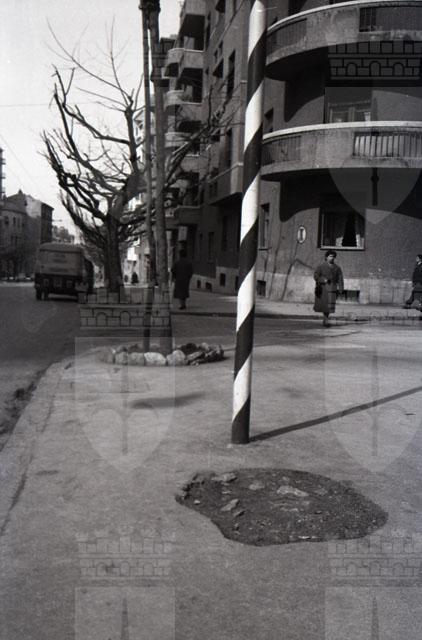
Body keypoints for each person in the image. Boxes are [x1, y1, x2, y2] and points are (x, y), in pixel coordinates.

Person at [313, 250, 344, 326]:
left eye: (333, 256)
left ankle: (326, 319)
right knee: (325, 305)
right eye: (330, 256)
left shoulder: (337, 268)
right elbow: (316, 276)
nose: (332, 258)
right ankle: (326, 320)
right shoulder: (321, 266)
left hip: (332, 288)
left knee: (329, 306)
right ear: (326, 257)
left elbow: (340, 278)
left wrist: (341, 288)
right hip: (323, 288)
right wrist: (323, 280)